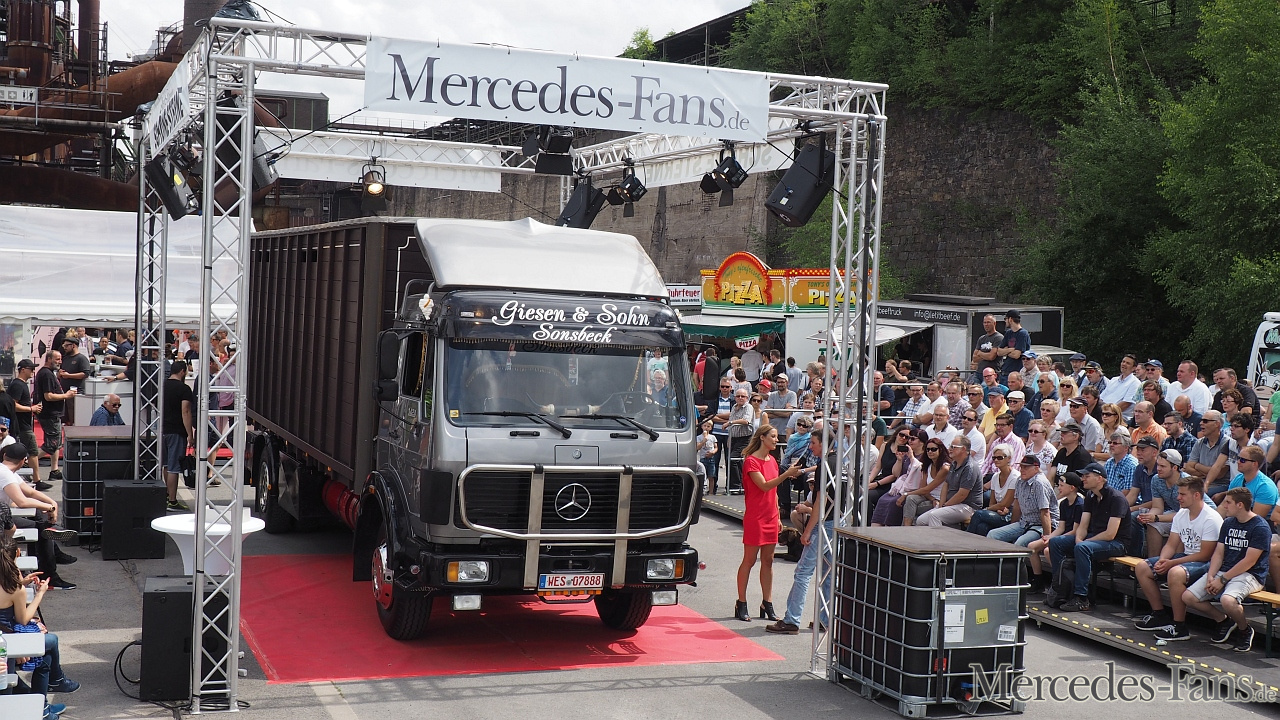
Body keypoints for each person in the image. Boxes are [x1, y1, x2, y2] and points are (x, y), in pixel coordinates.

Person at [767, 429, 840, 634]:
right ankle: (825, 619)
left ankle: (792, 620)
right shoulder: (840, 463)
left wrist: (807, 531)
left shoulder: (825, 465)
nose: (810, 447)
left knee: (803, 572)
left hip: (824, 524)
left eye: (813, 443)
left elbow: (820, 501)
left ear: (823, 443)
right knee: (828, 573)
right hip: (837, 522)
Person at [1180, 487, 1271, 652]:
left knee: (1228, 600)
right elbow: (1219, 553)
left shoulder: (1260, 527)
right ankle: (1223, 621)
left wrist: (1222, 580)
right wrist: (1211, 575)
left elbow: (1249, 561)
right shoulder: (1228, 523)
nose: (1224, 506)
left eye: (1228, 502)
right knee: (1188, 597)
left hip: (1250, 574)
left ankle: (1244, 629)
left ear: (1240, 505)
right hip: (1225, 570)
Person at [1134, 474, 1222, 640]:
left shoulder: (1211, 518)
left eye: (1182, 494)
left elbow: (1205, 555)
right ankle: (1159, 615)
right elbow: (1171, 544)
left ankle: (1179, 626)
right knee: (1143, 567)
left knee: (1175, 573)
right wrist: (1163, 560)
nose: (1178, 498)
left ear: (1196, 495)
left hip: (1207, 563)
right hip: (1187, 557)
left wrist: (1172, 563)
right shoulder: (1182, 514)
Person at [0, 539, 80, 719]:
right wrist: (40, 594)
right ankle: (48, 695)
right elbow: (22, 619)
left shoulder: (14, 585)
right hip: (7, 641)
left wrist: (23, 583)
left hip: (4, 638)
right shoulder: (14, 588)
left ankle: (45, 700)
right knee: (50, 644)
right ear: (18, 554)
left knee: (47, 651)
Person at [735, 424, 805, 623]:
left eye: (776, 436)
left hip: (770, 516)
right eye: (773, 436)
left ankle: (767, 602)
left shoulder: (772, 460)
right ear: (762, 437)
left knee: (768, 560)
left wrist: (777, 515)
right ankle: (741, 602)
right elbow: (764, 486)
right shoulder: (751, 462)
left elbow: (773, 493)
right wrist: (787, 474)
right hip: (756, 517)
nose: (776, 440)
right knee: (749, 560)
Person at [1048, 462, 1131, 611]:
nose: (1083, 479)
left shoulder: (1116, 498)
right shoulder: (1090, 496)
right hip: (1094, 538)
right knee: (1055, 542)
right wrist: (1079, 538)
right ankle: (1060, 588)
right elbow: (1083, 525)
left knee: (1083, 548)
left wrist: (1083, 542)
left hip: (1117, 543)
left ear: (1099, 479)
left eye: (1087, 476)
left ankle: (1081, 597)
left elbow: (1110, 534)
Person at [0, 444, 76, 590]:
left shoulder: (6, 470)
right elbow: (22, 502)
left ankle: (50, 556)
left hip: (4, 516)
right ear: (24, 461)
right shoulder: (5, 474)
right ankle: (49, 575)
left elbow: (30, 492)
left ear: (4, 456)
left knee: (39, 518)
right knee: (40, 530)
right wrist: (49, 507)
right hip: (3, 520)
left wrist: (51, 502)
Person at [1028, 472, 1086, 592]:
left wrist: (1054, 540)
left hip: (1072, 537)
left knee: (1048, 551)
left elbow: (1075, 530)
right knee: (1032, 547)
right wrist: (1049, 537)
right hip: (1063, 535)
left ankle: (1060, 581)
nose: (1059, 488)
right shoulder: (1064, 503)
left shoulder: (1079, 505)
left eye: (1061, 485)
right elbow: (1061, 528)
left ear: (1072, 488)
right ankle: (1038, 581)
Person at [987, 455, 1058, 547]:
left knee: (1020, 543)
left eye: (1026, 467)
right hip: (1024, 523)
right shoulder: (1020, 480)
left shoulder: (1040, 483)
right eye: (1021, 467)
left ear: (1036, 468)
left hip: (1041, 525)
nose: (1022, 470)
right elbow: (1017, 507)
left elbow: (1045, 512)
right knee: (992, 534)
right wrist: (1012, 528)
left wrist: (1047, 537)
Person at [916, 436, 983, 528]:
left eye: (953, 447)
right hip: (951, 504)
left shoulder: (969, 467)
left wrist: (946, 505)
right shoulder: (954, 464)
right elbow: (946, 485)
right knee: (921, 521)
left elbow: (962, 495)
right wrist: (941, 505)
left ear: (963, 449)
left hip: (967, 507)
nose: (949, 449)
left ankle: (938, 537)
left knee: (934, 516)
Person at [35, 351, 76, 482]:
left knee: (56, 443)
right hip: (49, 414)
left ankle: (54, 470)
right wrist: (66, 395)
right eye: (57, 359)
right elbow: (48, 396)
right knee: (51, 444)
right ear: (49, 359)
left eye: (60, 359)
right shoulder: (46, 374)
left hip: (52, 413)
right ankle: (27, 461)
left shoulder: (48, 373)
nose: (60, 362)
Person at [7, 359, 46, 490]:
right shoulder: (18, 385)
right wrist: (31, 409)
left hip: (23, 424)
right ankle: (37, 479)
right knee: (33, 451)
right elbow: (13, 405)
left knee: (29, 451)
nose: (33, 372)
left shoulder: (20, 384)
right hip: (22, 425)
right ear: (23, 370)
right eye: (31, 369)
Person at [162, 361, 195, 512]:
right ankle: (172, 500)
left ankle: (167, 495)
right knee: (174, 467)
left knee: (166, 465)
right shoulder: (184, 389)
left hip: (162, 429)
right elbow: (185, 411)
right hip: (176, 430)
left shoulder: (161, 386)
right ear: (182, 371)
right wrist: (190, 434)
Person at [967, 444, 1017, 536]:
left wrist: (987, 509)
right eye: (994, 458)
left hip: (1010, 515)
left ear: (1009, 458)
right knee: (982, 527)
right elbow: (992, 503)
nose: (996, 460)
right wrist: (996, 509)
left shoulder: (1015, 477)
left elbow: (1004, 504)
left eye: (1000, 458)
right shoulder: (995, 477)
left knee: (979, 514)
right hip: (998, 512)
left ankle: (965, 539)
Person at [726, 389, 755, 494]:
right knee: (735, 462)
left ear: (747, 398)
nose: (740, 398)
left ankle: (736, 486)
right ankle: (737, 486)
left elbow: (746, 420)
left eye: (743, 396)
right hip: (734, 437)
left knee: (734, 460)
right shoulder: (734, 407)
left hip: (745, 438)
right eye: (738, 396)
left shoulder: (748, 407)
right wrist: (729, 438)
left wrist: (730, 423)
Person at [56, 338, 90, 427]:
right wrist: (59, 374)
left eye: (66, 345)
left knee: (73, 415)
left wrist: (69, 375)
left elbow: (85, 374)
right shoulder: (65, 358)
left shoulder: (81, 358)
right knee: (65, 414)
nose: (64, 348)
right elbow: (60, 371)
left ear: (73, 345)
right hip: (64, 392)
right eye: (64, 345)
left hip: (76, 392)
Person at [996, 310, 1031, 384]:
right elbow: (998, 352)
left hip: (1016, 373)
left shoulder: (1023, 334)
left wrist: (1005, 351)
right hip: (1004, 372)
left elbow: (1016, 355)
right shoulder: (1008, 333)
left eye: (1005, 319)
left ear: (1010, 319)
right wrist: (1011, 349)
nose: (1005, 321)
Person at [971, 314, 1004, 382]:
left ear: (994, 323)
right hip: (979, 372)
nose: (986, 324)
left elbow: (991, 357)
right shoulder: (981, 338)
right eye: (984, 322)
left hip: (991, 373)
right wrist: (987, 355)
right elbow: (974, 358)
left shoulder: (998, 338)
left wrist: (980, 353)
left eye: (988, 322)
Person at [696, 419, 718, 494]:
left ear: (711, 428)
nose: (706, 427)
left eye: (708, 426)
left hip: (711, 459)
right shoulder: (699, 437)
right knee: (703, 475)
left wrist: (713, 452)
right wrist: (704, 440)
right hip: (703, 458)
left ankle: (711, 492)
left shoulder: (713, 437)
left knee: (711, 476)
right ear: (702, 427)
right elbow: (697, 447)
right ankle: (702, 490)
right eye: (704, 426)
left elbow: (716, 447)